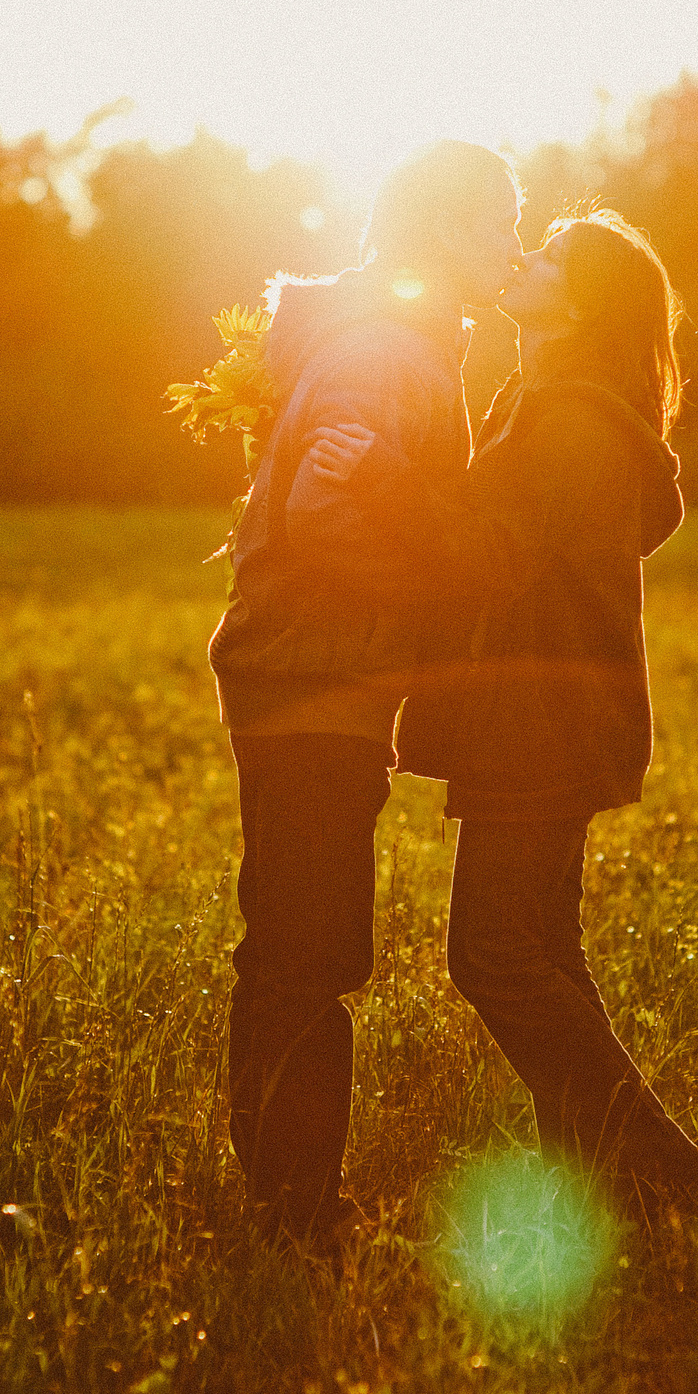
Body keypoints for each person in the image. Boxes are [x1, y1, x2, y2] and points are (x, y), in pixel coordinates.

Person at [300, 209, 698, 1217]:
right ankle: (605, 1184)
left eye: (549, 256)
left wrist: (379, 475)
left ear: (582, 301)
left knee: (492, 957)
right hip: (558, 714)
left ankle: (668, 1171)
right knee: (544, 952)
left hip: (542, 717)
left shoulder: (570, 418)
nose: (522, 257)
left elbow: (494, 558)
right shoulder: (561, 407)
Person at [207, 140, 524, 1249]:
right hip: (312, 677)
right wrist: (439, 590)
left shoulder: (399, 342)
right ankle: (297, 1217)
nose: (514, 249)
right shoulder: (387, 352)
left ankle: (283, 1200)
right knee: (308, 950)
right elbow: (322, 515)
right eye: (500, 225)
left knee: (296, 943)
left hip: (313, 670)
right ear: (446, 231)